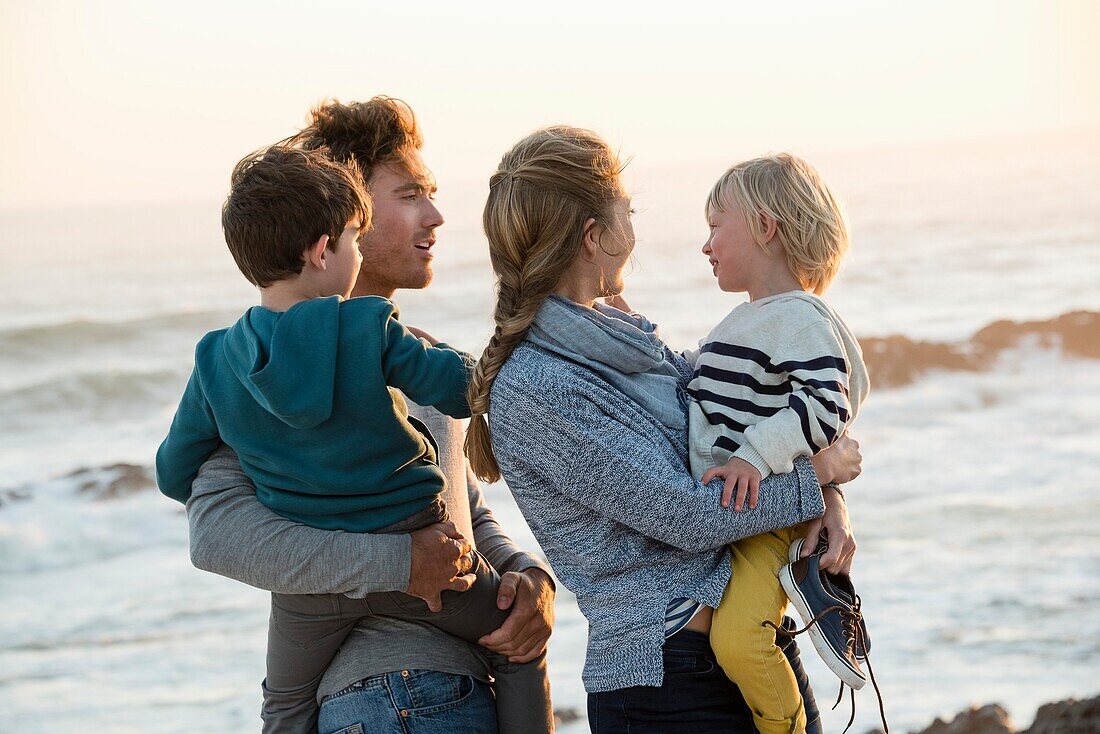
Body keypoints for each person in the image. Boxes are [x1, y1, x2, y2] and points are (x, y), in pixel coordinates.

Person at [463, 126, 862, 733]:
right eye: (627, 206)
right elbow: (685, 515)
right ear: (595, 237)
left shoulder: (615, 337)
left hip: (745, 639)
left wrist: (827, 499)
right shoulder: (537, 387)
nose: (636, 220)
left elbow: (731, 424)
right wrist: (816, 478)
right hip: (665, 680)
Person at [180, 98, 556, 734]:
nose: (435, 215)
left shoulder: (422, 354)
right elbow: (216, 532)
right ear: (341, 215)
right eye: (409, 194)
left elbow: (463, 509)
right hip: (391, 696)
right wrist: (400, 565)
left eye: (431, 193)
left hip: (464, 689)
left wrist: (525, 579)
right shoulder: (258, 376)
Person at [685, 153, 870, 734]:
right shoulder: (753, 320)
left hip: (766, 525)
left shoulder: (799, 318)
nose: (706, 244)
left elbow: (826, 406)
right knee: (736, 639)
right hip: (741, 518)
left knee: (738, 643)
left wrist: (753, 456)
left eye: (717, 226)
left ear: (765, 227)